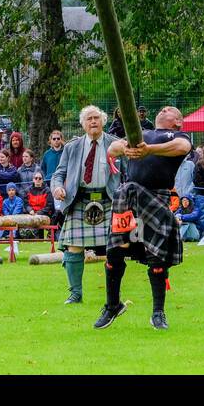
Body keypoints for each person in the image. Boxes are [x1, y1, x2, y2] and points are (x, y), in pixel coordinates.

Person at [97, 105, 192, 330]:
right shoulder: (141, 133)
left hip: (155, 198)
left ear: (178, 122)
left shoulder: (177, 135)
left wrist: (149, 149)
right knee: (114, 251)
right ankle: (112, 306)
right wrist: (126, 147)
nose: (164, 108)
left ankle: (158, 313)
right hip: (128, 198)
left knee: (156, 257)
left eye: (171, 109)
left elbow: (183, 147)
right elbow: (112, 147)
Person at [51, 105, 121, 305]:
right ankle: (75, 294)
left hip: (109, 201)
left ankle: (113, 295)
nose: (93, 122)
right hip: (79, 200)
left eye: (96, 118)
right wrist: (57, 188)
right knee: (73, 247)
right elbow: (59, 174)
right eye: (89, 118)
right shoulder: (72, 147)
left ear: (103, 121)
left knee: (114, 248)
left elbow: (126, 172)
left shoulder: (115, 144)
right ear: (83, 124)